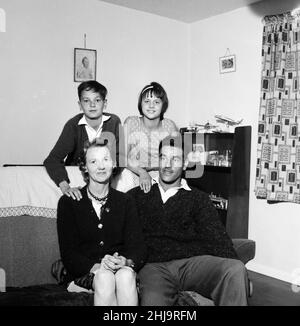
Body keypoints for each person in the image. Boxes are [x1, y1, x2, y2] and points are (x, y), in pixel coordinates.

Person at [128, 135, 249, 306]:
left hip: (192, 264)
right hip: (153, 266)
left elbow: (217, 238)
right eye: (163, 158)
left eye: (175, 159)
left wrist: (242, 273)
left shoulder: (198, 198)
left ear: (185, 164)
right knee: (154, 300)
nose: (167, 165)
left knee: (235, 269)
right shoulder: (136, 195)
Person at [57, 138, 147, 306]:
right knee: (105, 277)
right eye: (93, 161)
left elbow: (139, 248)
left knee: (126, 275)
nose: (101, 166)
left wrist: (126, 262)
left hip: (119, 271)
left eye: (106, 159)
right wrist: (99, 267)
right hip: (84, 273)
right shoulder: (68, 202)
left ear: (113, 164)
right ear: (84, 167)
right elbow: (69, 255)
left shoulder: (125, 201)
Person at [44, 80, 121, 200]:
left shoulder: (114, 122)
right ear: (80, 104)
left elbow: (120, 157)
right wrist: (66, 187)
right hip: (78, 178)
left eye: (97, 100)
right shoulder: (73, 125)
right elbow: (52, 159)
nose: (92, 105)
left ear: (104, 103)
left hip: (105, 178)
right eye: (86, 101)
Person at [112, 82, 178, 193]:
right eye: (147, 101)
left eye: (156, 102)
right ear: (140, 104)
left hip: (160, 174)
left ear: (163, 105)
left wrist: (151, 168)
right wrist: (142, 172)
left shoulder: (169, 126)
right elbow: (122, 157)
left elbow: (175, 158)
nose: (151, 106)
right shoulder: (131, 122)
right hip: (132, 172)